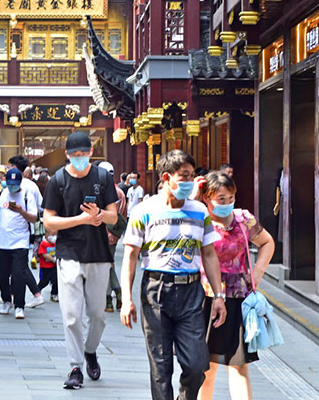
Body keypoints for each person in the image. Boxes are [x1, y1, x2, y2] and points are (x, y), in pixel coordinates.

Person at [120, 150, 227, 400]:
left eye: (192, 176)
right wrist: (127, 299)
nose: (190, 182)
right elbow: (130, 257)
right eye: (184, 176)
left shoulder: (200, 211)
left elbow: (209, 254)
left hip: (191, 292)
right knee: (161, 366)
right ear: (167, 177)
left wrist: (218, 295)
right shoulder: (143, 211)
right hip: (156, 291)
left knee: (197, 364)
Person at [43, 131, 119, 389]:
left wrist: (99, 215)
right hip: (69, 253)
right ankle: (75, 366)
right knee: (72, 315)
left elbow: (113, 217)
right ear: (67, 155)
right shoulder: (58, 180)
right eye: (75, 155)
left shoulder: (101, 177)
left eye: (84, 154)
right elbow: (49, 222)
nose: (79, 159)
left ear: (90, 152)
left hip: (98, 253)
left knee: (97, 315)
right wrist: (81, 220)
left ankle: (90, 350)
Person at [198, 172, 275, 400]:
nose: (227, 203)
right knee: (206, 368)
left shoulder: (244, 219)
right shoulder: (200, 220)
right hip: (206, 298)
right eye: (221, 199)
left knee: (239, 366)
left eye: (231, 197)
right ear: (207, 197)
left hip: (238, 300)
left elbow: (267, 242)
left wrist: (257, 273)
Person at [0, 168, 39, 319]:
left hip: (20, 241)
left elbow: (34, 218)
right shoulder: (1, 193)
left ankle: (19, 305)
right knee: (2, 274)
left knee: (18, 274)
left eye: (15, 184)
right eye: (9, 183)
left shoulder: (27, 195)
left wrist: (21, 211)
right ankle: (6, 300)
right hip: (2, 241)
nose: (12, 187)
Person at [98, 162, 127, 314]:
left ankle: (109, 298)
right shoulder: (120, 192)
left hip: (101, 234)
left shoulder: (103, 192)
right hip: (114, 235)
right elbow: (124, 215)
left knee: (106, 266)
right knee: (109, 265)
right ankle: (116, 292)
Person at [36, 231, 58, 301]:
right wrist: (53, 259)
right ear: (46, 235)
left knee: (55, 280)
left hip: (54, 266)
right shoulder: (43, 243)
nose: (53, 237)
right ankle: (36, 292)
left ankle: (54, 294)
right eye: (52, 234)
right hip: (45, 267)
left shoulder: (55, 243)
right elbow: (44, 254)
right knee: (44, 281)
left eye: (55, 234)